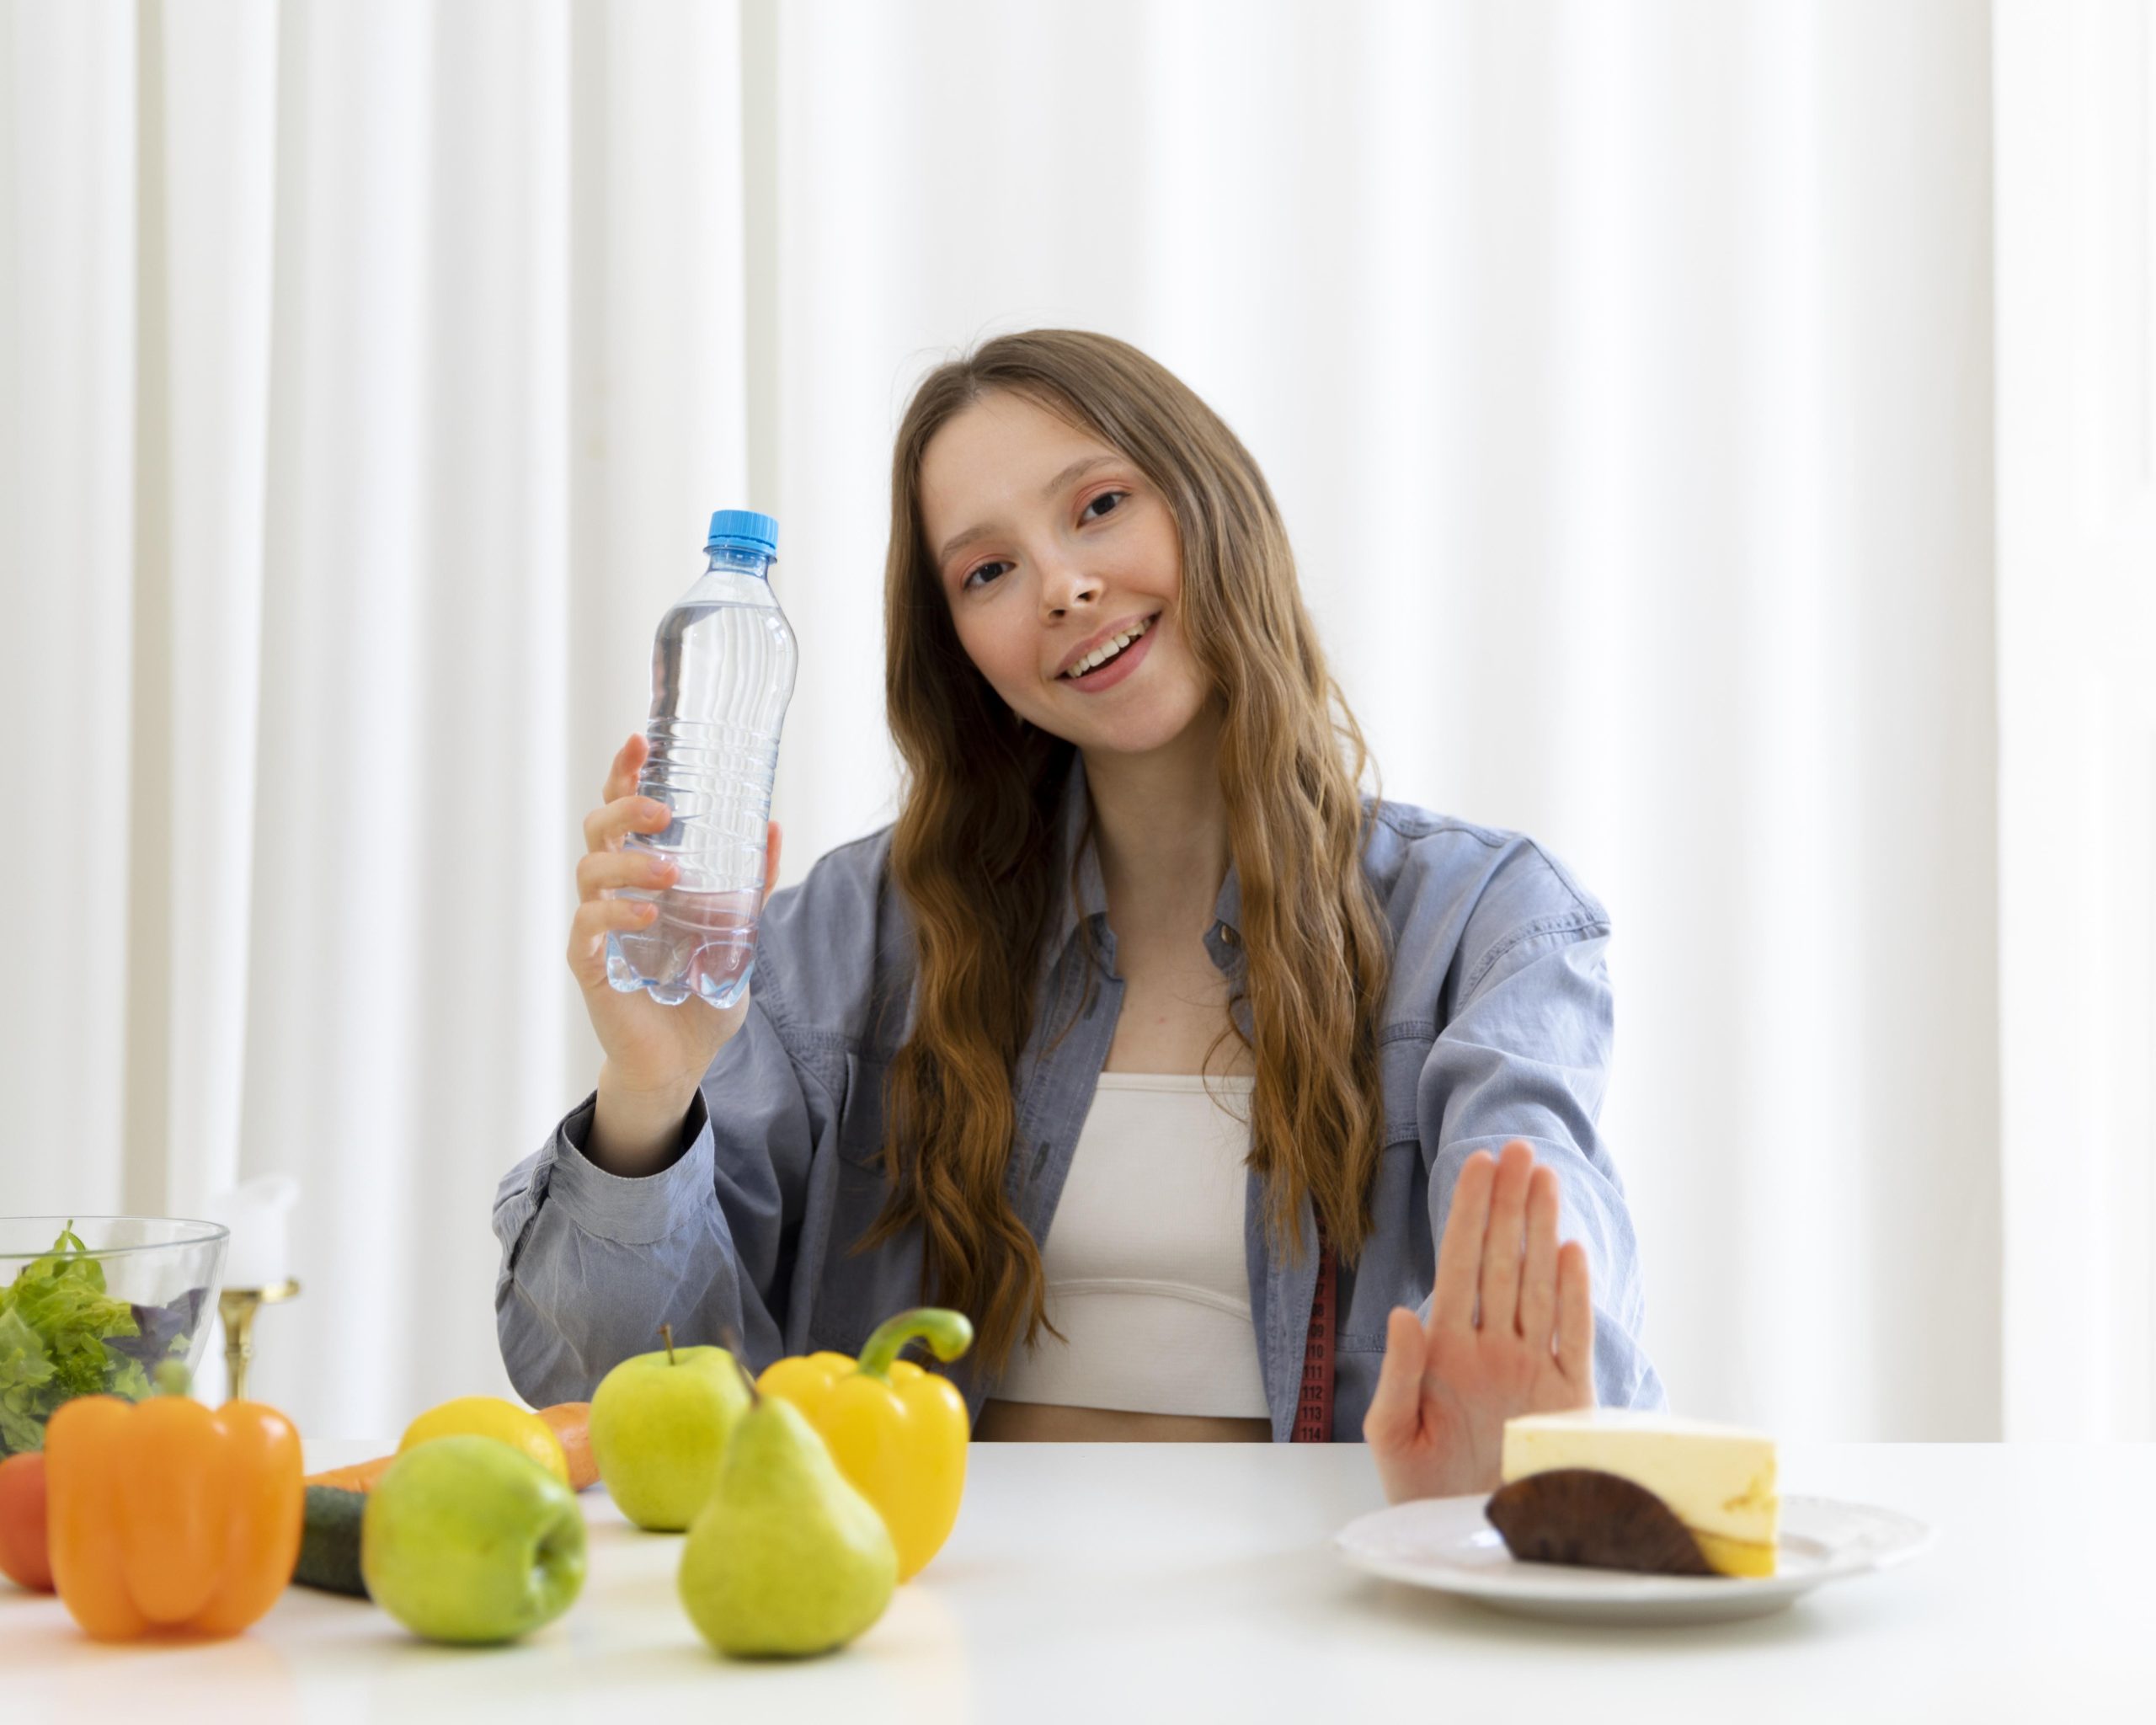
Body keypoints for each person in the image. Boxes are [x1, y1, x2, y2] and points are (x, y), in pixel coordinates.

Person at [493, 328, 1664, 1503]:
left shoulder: (1482, 926)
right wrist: (649, 1089)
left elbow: (1565, 1354)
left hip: (1320, 1615)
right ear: (961, 652)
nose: (1062, 585)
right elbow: (613, 1395)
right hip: (941, 1625)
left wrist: (1521, 1445)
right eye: (987, 572)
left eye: (1098, 505)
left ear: (1215, 507)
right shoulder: (855, 937)